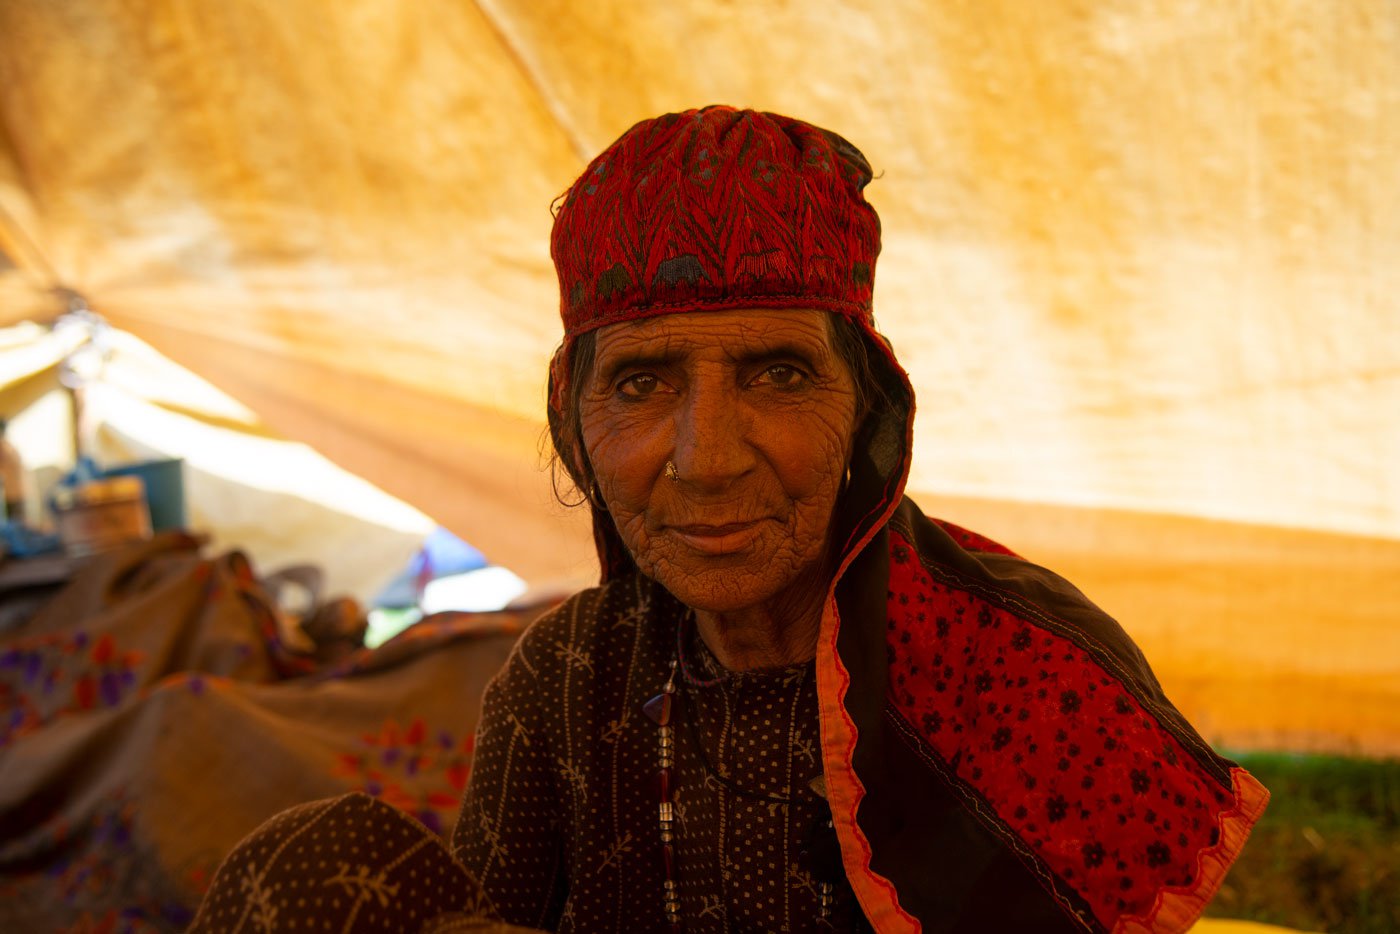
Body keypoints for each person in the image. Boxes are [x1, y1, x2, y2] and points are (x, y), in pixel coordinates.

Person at [450, 106, 1269, 933]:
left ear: (867, 411)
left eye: (778, 374)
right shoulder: (566, 678)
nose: (707, 459)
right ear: (572, 421)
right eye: (640, 383)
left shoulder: (1028, 670)